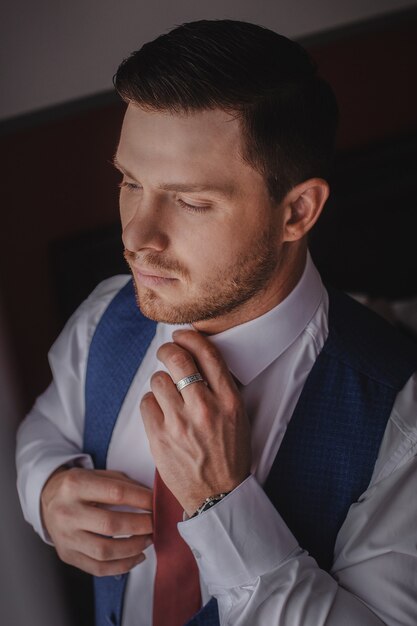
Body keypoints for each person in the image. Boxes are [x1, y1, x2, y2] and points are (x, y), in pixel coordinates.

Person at [16, 19, 417, 626]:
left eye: (191, 201)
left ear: (297, 211)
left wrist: (222, 504)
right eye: (130, 182)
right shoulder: (105, 313)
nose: (136, 237)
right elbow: (45, 429)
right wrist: (45, 493)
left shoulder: (401, 421)